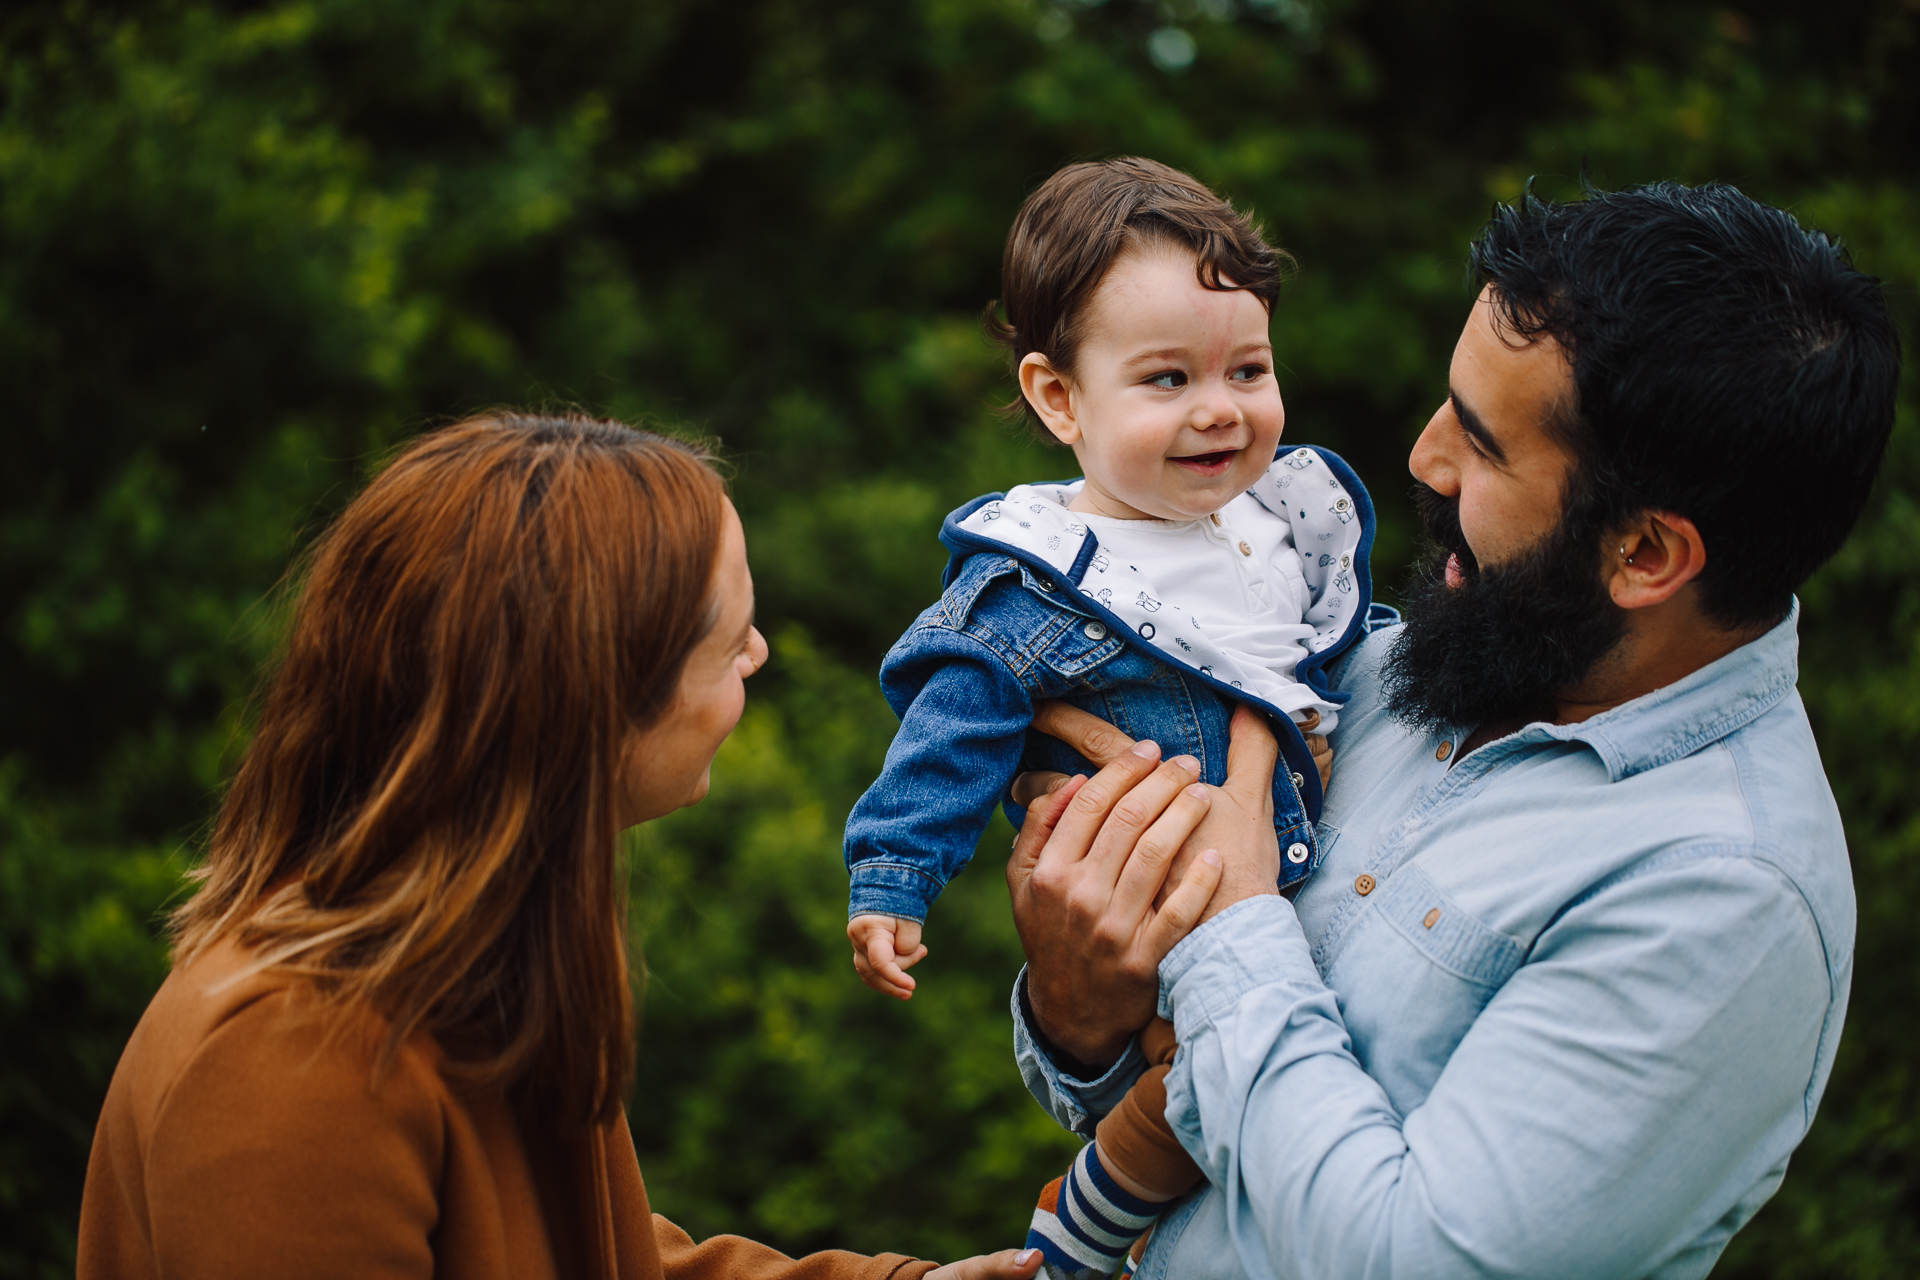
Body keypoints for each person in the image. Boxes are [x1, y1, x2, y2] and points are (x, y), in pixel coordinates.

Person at [1003, 181, 1900, 1279]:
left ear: (1646, 556)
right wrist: (1079, 1011)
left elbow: (1411, 1259)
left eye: (1481, 447)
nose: (1425, 461)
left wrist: (1233, 916)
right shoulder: (1395, 671)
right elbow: (1179, 1097)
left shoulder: (1726, 894)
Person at [76, 415, 1043, 1280]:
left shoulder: (464, 975)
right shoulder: (293, 1067)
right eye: (729, 635)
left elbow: (605, 1258)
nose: (758, 653)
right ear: (594, 702)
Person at [837, 159, 1375, 1278]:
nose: (1220, 408)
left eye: (1249, 367)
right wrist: (890, 876)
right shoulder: (1041, 583)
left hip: (1294, 892)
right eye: (1167, 379)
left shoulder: (1277, 521)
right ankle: (1076, 1239)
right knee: (1197, 1087)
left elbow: (1325, 655)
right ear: (1058, 398)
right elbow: (950, 734)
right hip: (1168, 910)